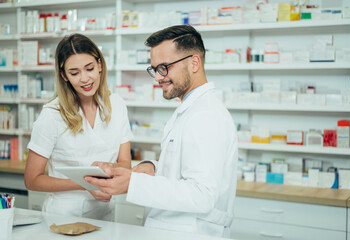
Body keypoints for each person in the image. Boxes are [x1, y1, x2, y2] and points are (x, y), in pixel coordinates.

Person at [85, 25, 238, 236]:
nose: (158, 77)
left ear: (194, 63)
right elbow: (183, 170)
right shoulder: (190, 109)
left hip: (192, 232)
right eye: (155, 69)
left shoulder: (206, 116)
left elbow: (202, 194)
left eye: (164, 67)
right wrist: (150, 168)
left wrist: (133, 183)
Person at [24, 33, 132, 221]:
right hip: (63, 218)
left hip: (106, 214)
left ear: (99, 65)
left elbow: (125, 163)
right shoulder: (52, 114)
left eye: (89, 68)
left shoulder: (117, 105)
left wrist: (108, 169)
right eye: (74, 73)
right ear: (64, 76)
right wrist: (86, 185)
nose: (84, 78)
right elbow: (32, 180)